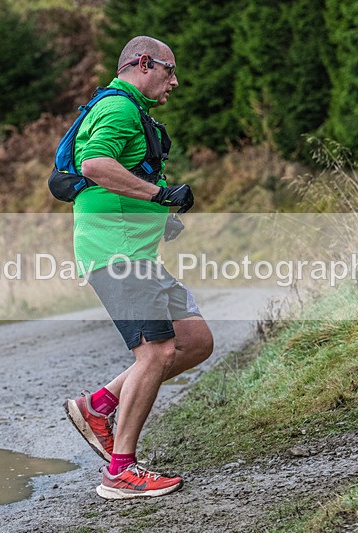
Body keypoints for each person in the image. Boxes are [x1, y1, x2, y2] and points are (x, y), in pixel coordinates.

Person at [63, 36, 214, 500]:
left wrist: (157, 217)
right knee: (155, 353)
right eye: (169, 71)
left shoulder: (130, 109)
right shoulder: (119, 108)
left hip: (135, 251)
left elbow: (116, 171)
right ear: (143, 63)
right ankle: (120, 473)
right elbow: (94, 163)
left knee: (194, 341)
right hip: (118, 253)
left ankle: (98, 406)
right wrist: (159, 196)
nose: (175, 82)